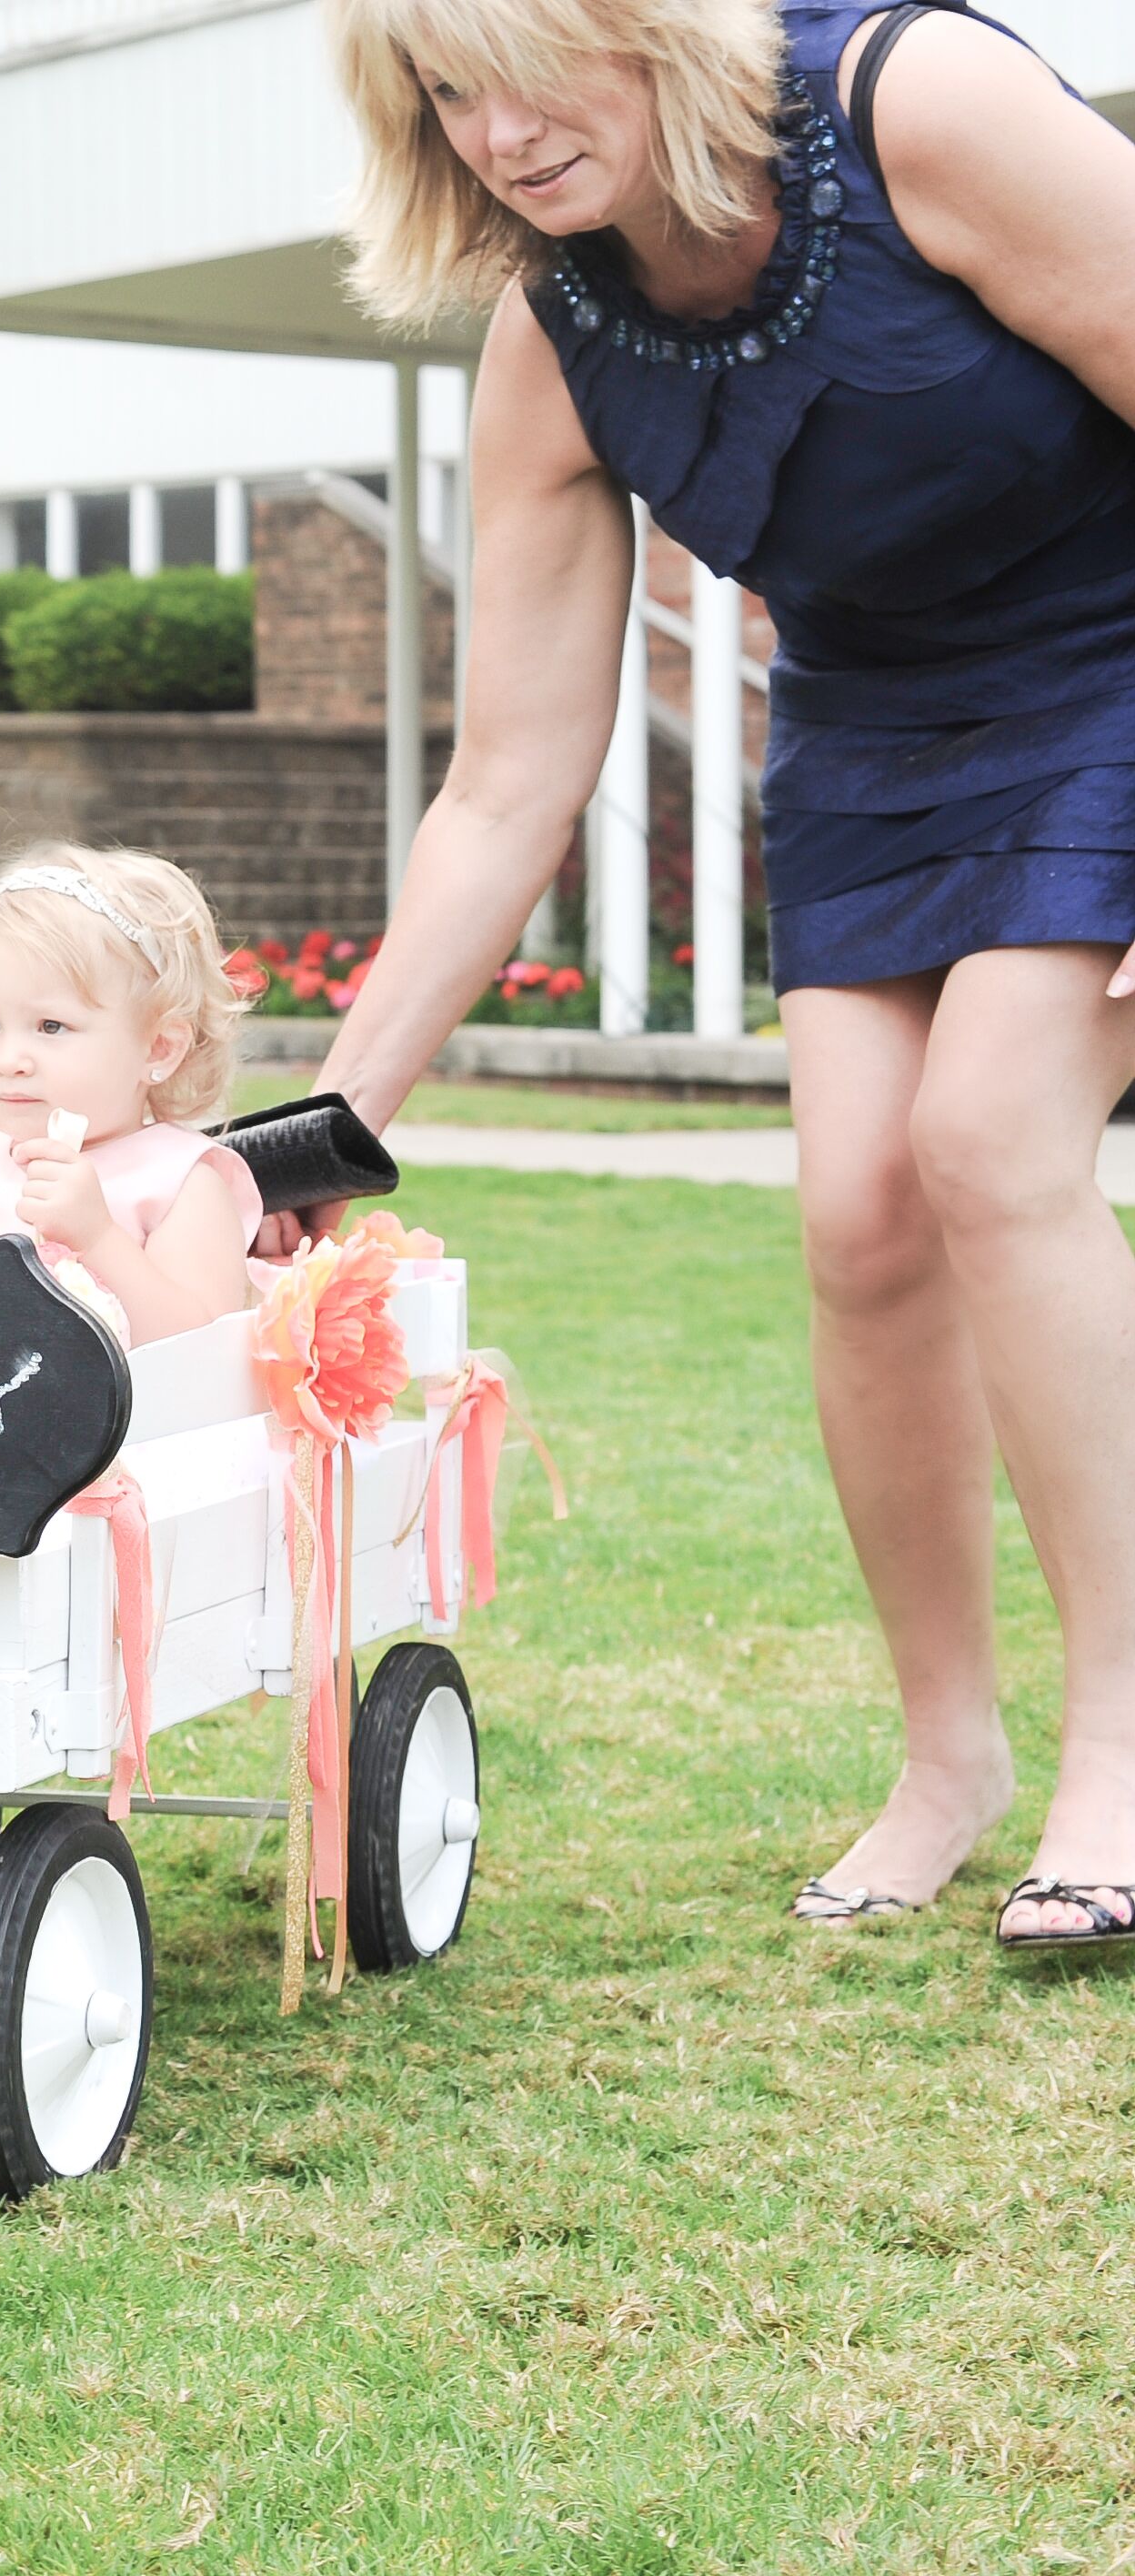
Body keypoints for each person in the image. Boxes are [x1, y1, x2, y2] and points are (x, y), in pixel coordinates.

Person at [310, 0, 1135, 1951]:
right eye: (443, 94)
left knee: (990, 1139)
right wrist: (328, 1126)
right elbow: (507, 782)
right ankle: (949, 1758)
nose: (492, 132)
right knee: (857, 1217)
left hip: (1117, 649)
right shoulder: (554, 345)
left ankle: (1125, 1738)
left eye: (523, 66)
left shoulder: (911, 105)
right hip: (875, 722)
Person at [0, 844, 265, 1345]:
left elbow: (200, 1351)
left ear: (158, 1048)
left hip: (143, 1424)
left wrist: (99, 1237)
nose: (9, 1058)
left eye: (51, 1025)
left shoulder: (181, 1184)